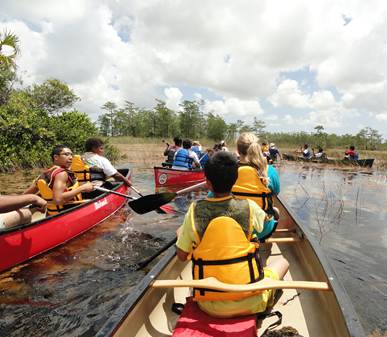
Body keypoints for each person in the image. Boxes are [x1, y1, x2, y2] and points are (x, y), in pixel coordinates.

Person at [176, 151, 289, 318]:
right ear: (235, 180)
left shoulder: (194, 212)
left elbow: (181, 256)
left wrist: (182, 235)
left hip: (208, 305)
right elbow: (267, 229)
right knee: (283, 262)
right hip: (251, 301)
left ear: (208, 183)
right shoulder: (250, 207)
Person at [232, 133, 280, 241]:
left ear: (238, 150)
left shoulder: (228, 170)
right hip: (261, 230)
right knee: (276, 210)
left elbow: (214, 195)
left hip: (232, 227)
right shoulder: (269, 170)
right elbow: (276, 192)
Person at [24, 145, 94, 215]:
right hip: (67, 213)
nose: (70, 157)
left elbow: (25, 196)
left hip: (50, 215)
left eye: (71, 155)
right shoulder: (62, 174)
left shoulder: (45, 174)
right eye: (66, 154)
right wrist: (83, 188)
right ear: (56, 157)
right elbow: (58, 200)